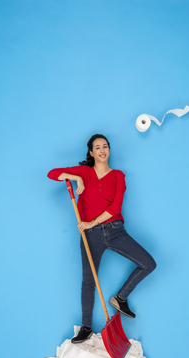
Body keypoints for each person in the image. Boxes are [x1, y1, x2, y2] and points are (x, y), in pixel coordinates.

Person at [47, 134, 156, 343]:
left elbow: (115, 207)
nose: (102, 150)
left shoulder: (118, 175)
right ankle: (86, 328)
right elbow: (52, 173)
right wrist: (76, 178)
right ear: (91, 152)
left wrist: (92, 222)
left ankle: (120, 297)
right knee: (88, 282)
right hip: (90, 236)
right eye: (97, 147)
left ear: (109, 150)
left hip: (115, 230)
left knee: (148, 263)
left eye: (105, 146)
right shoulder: (84, 172)